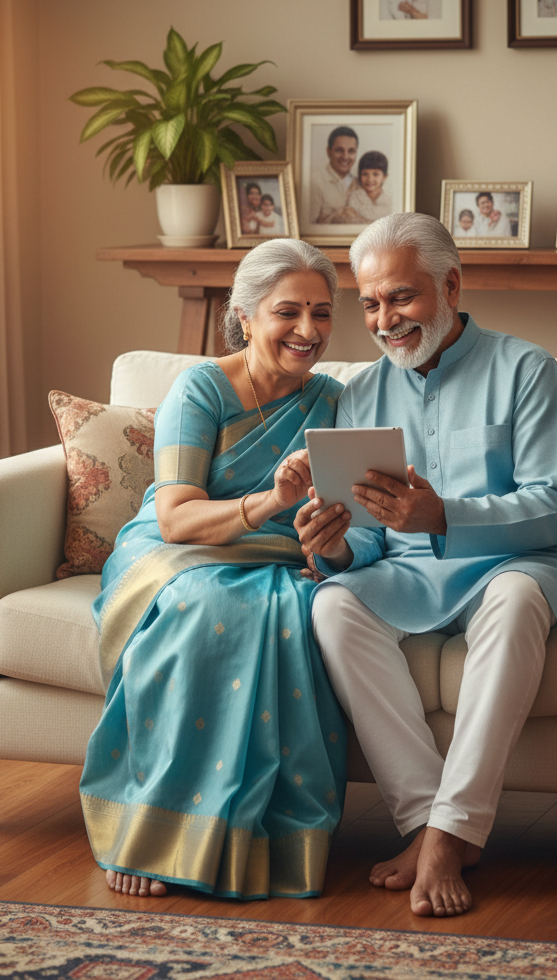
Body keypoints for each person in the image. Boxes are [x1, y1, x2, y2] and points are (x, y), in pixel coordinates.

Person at [293, 213, 557, 918]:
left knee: (514, 603)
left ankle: (455, 831)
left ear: (450, 285)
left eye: (401, 297)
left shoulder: (527, 370)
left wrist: (444, 515)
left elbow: (556, 506)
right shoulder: (358, 394)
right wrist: (332, 544)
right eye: (369, 303)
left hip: (523, 561)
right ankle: (423, 819)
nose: (385, 319)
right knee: (331, 603)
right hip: (409, 570)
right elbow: (367, 541)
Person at [81, 239, 347, 901]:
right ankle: (152, 826)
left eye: (322, 313)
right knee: (210, 607)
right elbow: (176, 517)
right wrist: (273, 501)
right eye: (289, 312)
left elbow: (339, 521)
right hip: (180, 554)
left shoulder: (334, 400)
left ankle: (260, 835)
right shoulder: (201, 388)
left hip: (277, 562)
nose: (308, 331)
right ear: (246, 315)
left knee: (296, 611)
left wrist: (327, 544)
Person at [311, 126, 359, 225]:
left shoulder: (361, 182)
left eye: (351, 151)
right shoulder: (315, 182)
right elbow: (309, 227)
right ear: (329, 152)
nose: (345, 157)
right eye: (339, 150)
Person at [332, 150, 394, 225]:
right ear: (359, 176)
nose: (370, 179)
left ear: (384, 177)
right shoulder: (353, 198)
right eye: (365, 174)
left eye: (375, 174)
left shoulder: (389, 200)